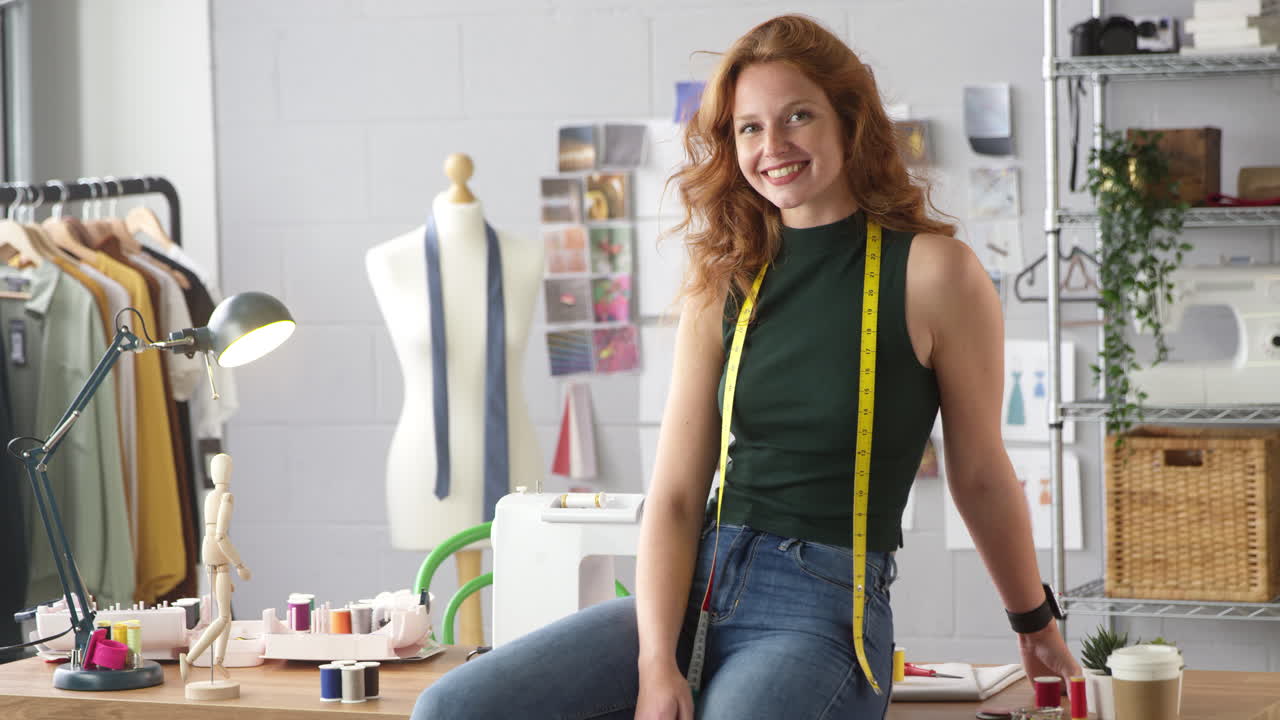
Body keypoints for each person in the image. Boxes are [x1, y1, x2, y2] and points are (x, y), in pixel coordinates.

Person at [412, 14, 1081, 720]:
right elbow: (673, 495)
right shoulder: (729, 279)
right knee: (450, 710)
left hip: (822, 611)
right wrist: (653, 662)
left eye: (798, 116)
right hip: (694, 585)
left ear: (850, 123)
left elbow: (980, 471)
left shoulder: (934, 274)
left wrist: (1032, 620)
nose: (774, 146)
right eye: (749, 128)